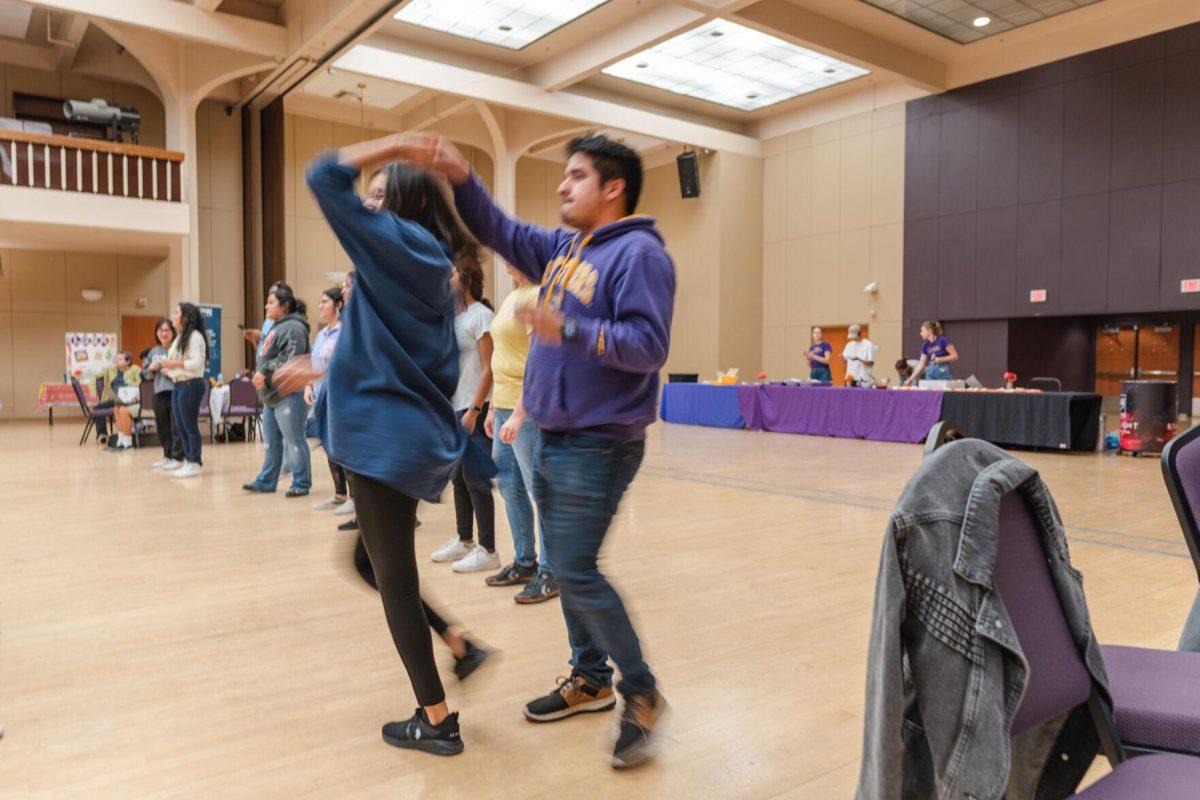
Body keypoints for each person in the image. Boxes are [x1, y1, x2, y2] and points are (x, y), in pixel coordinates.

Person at [406, 131, 675, 768]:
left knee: (575, 570)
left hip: (599, 444)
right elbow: (498, 228)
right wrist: (461, 176)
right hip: (550, 435)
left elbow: (649, 346)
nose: (562, 185)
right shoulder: (563, 248)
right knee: (564, 567)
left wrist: (571, 328)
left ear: (614, 189)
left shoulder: (639, 254)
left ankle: (640, 692)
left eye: (576, 176)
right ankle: (589, 678)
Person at [283, 138, 491, 757]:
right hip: (404, 437)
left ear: (404, 204)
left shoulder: (396, 244)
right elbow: (391, 354)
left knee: (393, 579)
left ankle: (437, 720)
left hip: (384, 441)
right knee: (367, 564)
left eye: (378, 196)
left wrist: (403, 145)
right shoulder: (425, 260)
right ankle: (459, 644)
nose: (367, 206)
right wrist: (319, 373)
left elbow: (321, 174)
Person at [483, 263, 558, 604]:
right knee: (509, 485)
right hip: (503, 406)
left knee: (536, 488)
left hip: (526, 410)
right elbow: (502, 354)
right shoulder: (511, 296)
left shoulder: (537, 296)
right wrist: (491, 408)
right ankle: (525, 561)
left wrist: (517, 413)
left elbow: (539, 362)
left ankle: (551, 571)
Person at [429, 261, 498, 574]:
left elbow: (489, 368)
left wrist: (474, 409)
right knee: (458, 477)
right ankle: (464, 539)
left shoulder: (481, 316)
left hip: (473, 407)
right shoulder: (452, 319)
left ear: (466, 280)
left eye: (453, 274)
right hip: (453, 407)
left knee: (476, 479)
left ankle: (488, 549)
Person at [243, 283, 312, 497]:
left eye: (271, 302)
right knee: (271, 442)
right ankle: (267, 480)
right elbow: (271, 354)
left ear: (284, 305)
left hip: (288, 394)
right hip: (272, 395)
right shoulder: (276, 326)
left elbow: (290, 358)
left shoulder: (294, 327)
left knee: (294, 440)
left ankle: (301, 483)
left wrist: (264, 370)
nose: (266, 306)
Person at [307, 286, 351, 512]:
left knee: (342, 447)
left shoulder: (344, 332)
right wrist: (307, 385)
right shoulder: (322, 333)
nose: (320, 306)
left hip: (339, 398)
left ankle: (353, 497)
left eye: (325, 302)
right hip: (320, 397)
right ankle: (339, 494)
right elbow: (315, 364)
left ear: (338, 305)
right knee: (328, 445)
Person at [159, 303, 208, 478]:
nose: (172, 315)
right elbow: (179, 362)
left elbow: (196, 364)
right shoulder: (181, 337)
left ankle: (195, 461)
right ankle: (188, 460)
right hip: (179, 384)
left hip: (191, 385)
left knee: (189, 426)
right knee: (180, 426)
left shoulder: (195, 337)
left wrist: (173, 365)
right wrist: (170, 371)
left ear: (186, 317)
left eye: (176, 312)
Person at [143, 319, 186, 469]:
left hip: (176, 391)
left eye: (167, 330)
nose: (164, 333)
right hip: (159, 393)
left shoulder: (177, 349)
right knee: (163, 428)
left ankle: (178, 457)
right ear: (157, 333)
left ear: (173, 333)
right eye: (161, 330)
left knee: (176, 427)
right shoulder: (153, 352)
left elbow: (185, 368)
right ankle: (167, 456)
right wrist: (151, 369)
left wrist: (171, 372)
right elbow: (146, 375)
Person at [94, 351, 142, 450]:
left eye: (120, 359)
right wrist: (91, 390)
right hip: (114, 398)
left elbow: (140, 382)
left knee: (119, 409)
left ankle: (125, 440)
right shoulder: (111, 369)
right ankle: (102, 434)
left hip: (128, 398)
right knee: (97, 408)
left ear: (128, 361)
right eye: (116, 358)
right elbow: (95, 376)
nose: (116, 360)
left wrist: (129, 383)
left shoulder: (135, 369)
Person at [906, 320, 958, 385]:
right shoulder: (925, 345)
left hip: (942, 371)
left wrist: (940, 359)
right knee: (929, 394)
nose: (920, 333)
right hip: (930, 372)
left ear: (929, 331)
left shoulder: (942, 340)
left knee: (943, 393)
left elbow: (955, 356)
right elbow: (921, 365)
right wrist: (910, 379)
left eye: (922, 331)